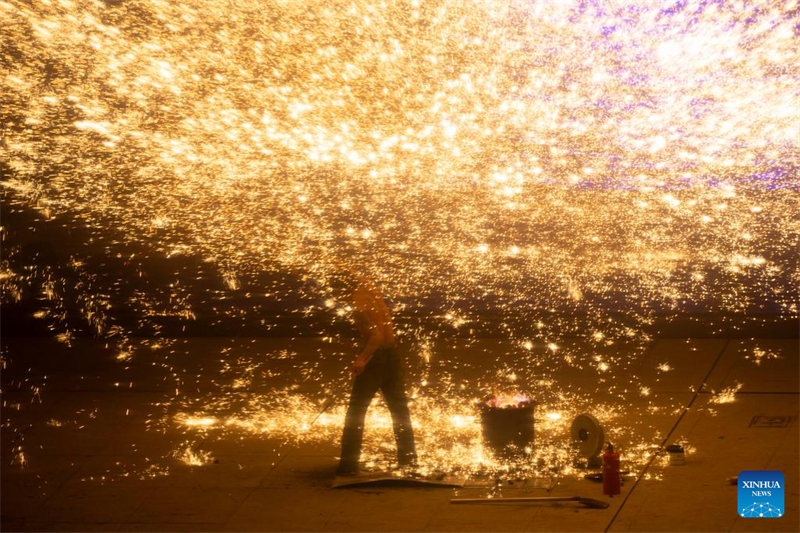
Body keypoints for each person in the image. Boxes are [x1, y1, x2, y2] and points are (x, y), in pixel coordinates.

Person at [328, 269, 417, 476]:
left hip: (375, 359)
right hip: (393, 355)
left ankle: (348, 466)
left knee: (356, 413)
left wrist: (361, 359)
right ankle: (409, 463)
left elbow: (375, 337)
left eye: (336, 294)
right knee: (400, 412)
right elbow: (355, 274)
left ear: (342, 289)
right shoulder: (370, 289)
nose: (337, 299)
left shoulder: (357, 305)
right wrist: (332, 261)